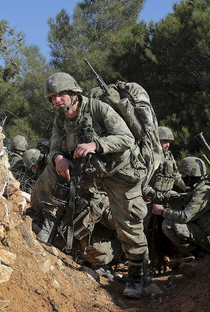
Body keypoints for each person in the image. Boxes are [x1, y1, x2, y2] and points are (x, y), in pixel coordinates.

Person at [38, 72, 149, 299]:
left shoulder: (98, 109)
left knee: (129, 220)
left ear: (73, 93)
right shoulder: (61, 120)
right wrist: (58, 158)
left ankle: (137, 273)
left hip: (121, 173)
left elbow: (126, 138)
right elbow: (54, 146)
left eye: (62, 94)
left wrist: (96, 145)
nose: (58, 100)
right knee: (58, 181)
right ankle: (49, 226)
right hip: (91, 174)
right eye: (53, 97)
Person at [151, 157, 210, 258]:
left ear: (191, 174)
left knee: (169, 225)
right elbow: (190, 195)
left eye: (184, 174)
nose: (182, 177)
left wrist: (162, 211)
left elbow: (185, 216)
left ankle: (201, 256)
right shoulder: (203, 185)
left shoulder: (203, 191)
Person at [142, 126, 187, 273]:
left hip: (165, 198)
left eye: (169, 141)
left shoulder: (169, 156)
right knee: (145, 230)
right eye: (164, 141)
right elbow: (141, 181)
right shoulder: (149, 155)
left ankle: (169, 255)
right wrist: (153, 194)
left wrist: (186, 188)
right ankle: (142, 259)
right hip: (149, 199)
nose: (167, 144)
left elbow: (175, 176)